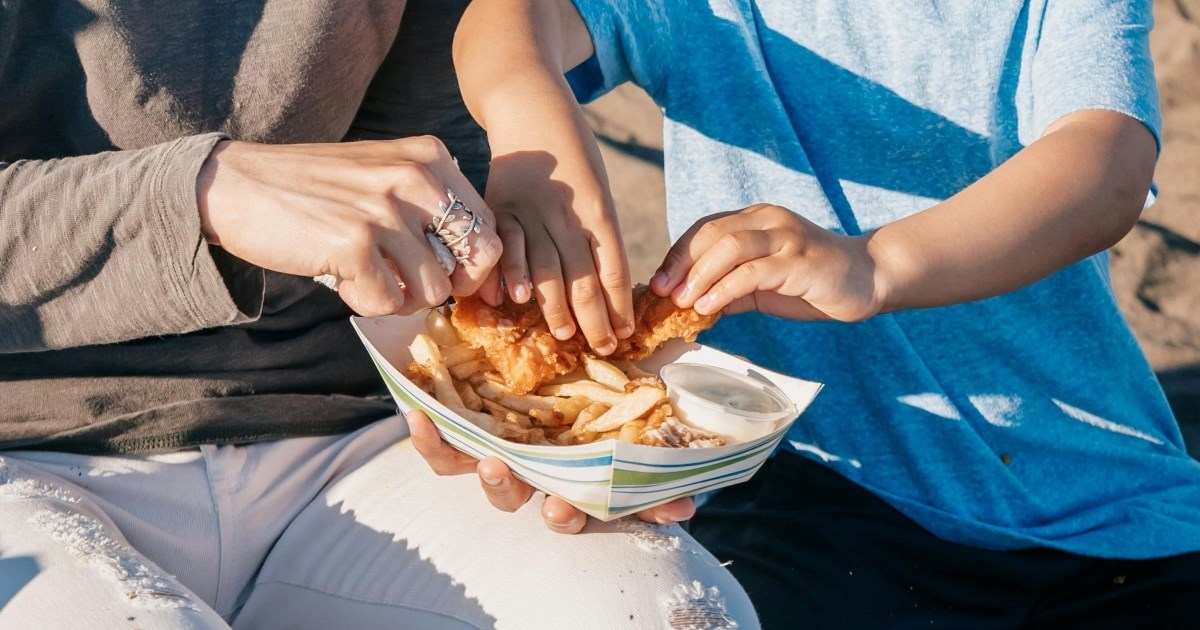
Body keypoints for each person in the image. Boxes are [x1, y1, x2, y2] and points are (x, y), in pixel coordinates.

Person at [0, 2, 755, 628]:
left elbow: (427, 168)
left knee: (671, 612)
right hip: (29, 449)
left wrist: (512, 415)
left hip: (357, 434)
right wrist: (206, 194)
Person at [448, 0, 1200, 625]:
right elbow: (513, 20)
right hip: (812, 485)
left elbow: (1107, 163)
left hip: (1107, 496)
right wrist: (529, 122)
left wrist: (875, 264)